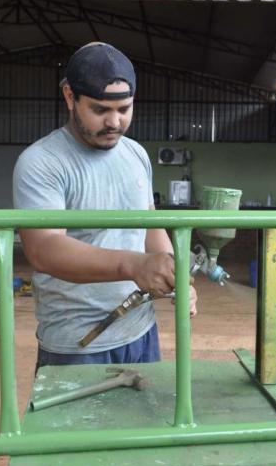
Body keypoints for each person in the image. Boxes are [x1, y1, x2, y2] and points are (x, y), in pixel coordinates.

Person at [13, 43, 197, 370]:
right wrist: (134, 265)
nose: (114, 121)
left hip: (141, 330)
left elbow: (150, 225)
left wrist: (174, 273)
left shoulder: (136, 154)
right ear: (70, 96)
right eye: (100, 110)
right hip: (77, 341)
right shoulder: (42, 162)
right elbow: (43, 248)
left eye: (124, 109)